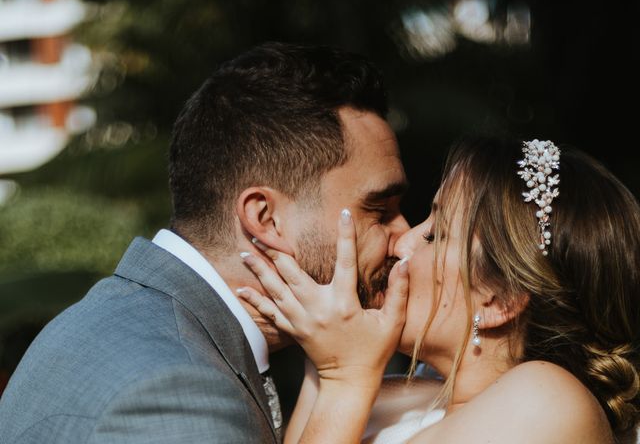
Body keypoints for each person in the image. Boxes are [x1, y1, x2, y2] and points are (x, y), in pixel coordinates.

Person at [0, 42, 410, 443]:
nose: (404, 234)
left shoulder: (128, 320)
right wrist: (346, 377)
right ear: (265, 218)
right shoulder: (176, 392)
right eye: (379, 210)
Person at [239, 136, 640, 443]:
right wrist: (325, 356)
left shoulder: (546, 399)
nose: (402, 243)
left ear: (500, 300)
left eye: (437, 234)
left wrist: (345, 377)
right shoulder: (388, 391)